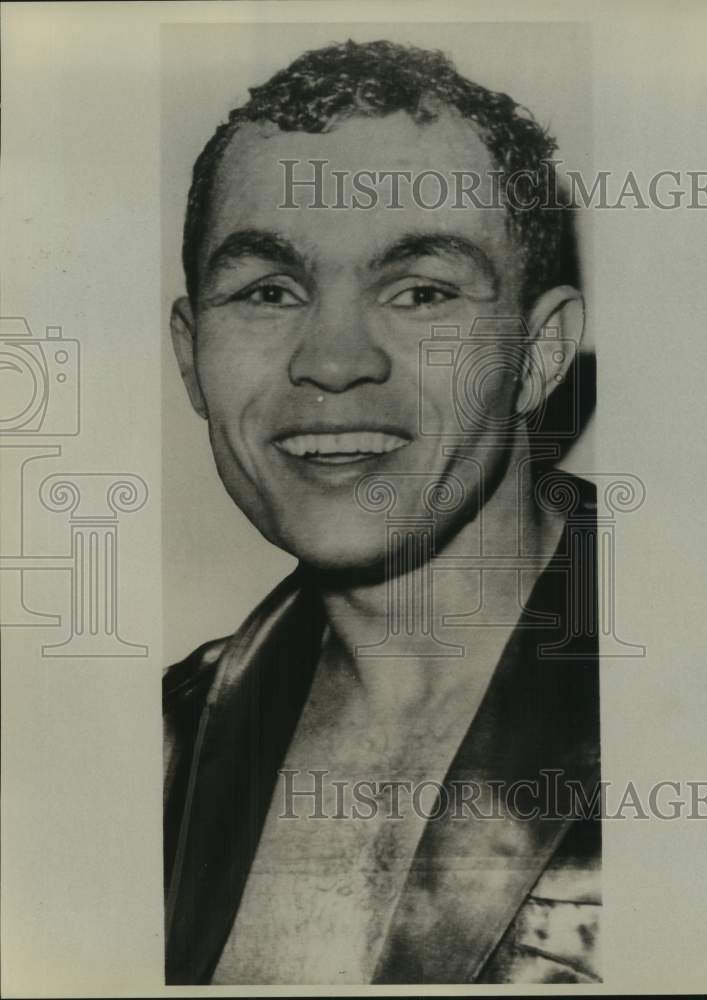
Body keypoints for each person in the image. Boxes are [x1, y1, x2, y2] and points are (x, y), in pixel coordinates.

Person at [163, 39, 600, 986]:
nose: (330, 361)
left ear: (537, 352)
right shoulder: (158, 741)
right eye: (269, 291)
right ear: (191, 355)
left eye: (420, 291)